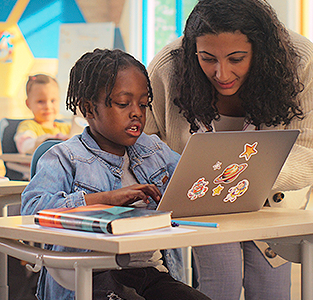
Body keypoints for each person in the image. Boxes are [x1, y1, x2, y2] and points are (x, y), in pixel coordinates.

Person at [146, 0, 313, 299]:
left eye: (236, 58)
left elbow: (310, 149)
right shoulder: (169, 66)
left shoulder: (299, 59)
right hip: (202, 208)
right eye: (207, 58)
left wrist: (251, 176)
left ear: (261, 50)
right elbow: (148, 145)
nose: (221, 73)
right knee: (222, 282)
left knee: (271, 290)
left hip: (273, 204)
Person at [21, 48, 210, 300]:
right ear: (89, 108)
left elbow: (195, 182)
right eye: (123, 104)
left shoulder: (153, 149)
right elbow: (32, 209)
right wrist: (107, 200)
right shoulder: (65, 157)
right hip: (88, 275)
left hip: (146, 272)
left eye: (143, 105)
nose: (136, 113)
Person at [14, 74, 70, 155]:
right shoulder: (28, 126)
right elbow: (25, 145)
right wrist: (45, 141)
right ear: (28, 104)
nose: (48, 106)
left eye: (53, 100)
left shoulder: (67, 128)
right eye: (40, 101)